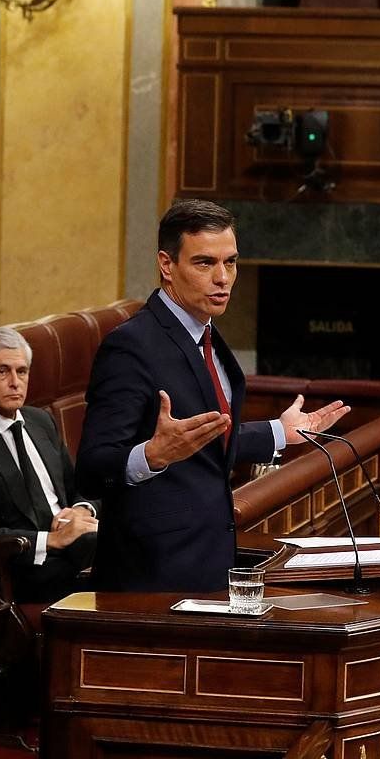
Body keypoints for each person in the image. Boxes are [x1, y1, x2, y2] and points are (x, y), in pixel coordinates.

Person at [76, 199, 349, 593]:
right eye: (205, 263)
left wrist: (279, 432)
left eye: (231, 263)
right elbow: (90, 469)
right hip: (151, 578)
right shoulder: (131, 346)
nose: (223, 278)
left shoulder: (207, 333)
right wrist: (151, 456)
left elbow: (202, 440)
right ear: (167, 265)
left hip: (210, 561)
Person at [0, 327, 101, 603]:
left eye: (22, 371)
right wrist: (51, 540)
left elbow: (83, 485)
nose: (15, 382)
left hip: (78, 545)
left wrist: (79, 511)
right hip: (29, 564)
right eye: (2, 371)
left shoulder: (40, 421)